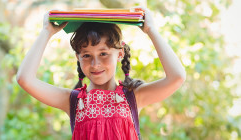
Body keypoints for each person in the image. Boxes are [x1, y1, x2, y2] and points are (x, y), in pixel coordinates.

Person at [16, 6, 186, 140]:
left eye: (103, 54)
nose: (95, 64)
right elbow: (25, 79)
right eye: (87, 56)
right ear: (78, 57)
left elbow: (177, 77)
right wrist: (46, 32)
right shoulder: (73, 101)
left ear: (119, 54)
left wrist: (152, 30)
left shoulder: (133, 97)